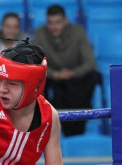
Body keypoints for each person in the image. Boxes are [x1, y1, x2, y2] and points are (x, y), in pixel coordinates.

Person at [33, 4, 99, 137]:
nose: (54, 26)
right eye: (50, 23)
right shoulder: (40, 33)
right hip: (52, 77)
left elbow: (90, 62)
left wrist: (73, 73)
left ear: (66, 21)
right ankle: (43, 126)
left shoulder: (78, 31)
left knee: (94, 76)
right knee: (37, 80)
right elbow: (37, 62)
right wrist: (54, 74)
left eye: (58, 22)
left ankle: (78, 124)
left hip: (76, 77)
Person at [0, 12, 29, 86]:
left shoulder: (26, 40)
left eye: (15, 27)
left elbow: (28, 65)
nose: (12, 30)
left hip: (20, 79)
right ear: (2, 26)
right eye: (8, 27)